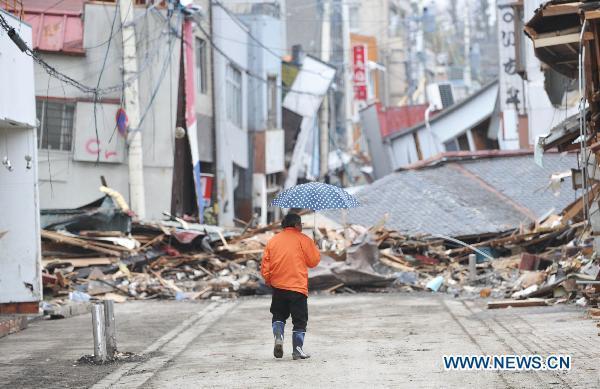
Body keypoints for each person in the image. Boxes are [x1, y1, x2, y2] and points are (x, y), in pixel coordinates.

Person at [261, 212, 321, 360]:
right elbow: (313, 262)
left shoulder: (273, 241)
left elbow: (265, 265)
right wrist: (315, 245)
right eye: (300, 224)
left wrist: (270, 281)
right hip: (297, 287)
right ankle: (297, 350)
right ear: (296, 225)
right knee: (299, 320)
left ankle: (279, 336)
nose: (301, 227)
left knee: (278, 315)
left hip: (279, 286)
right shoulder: (304, 240)